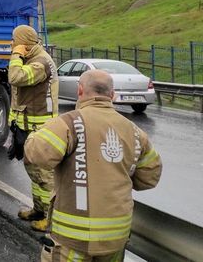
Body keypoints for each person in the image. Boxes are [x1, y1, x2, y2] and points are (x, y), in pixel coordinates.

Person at [25, 69, 162, 261]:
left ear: (80, 91)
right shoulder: (135, 132)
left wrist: (33, 135)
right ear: (112, 95)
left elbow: (37, 155)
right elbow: (149, 178)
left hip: (73, 238)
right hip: (116, 236)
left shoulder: (69, 123)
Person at [7, 24, 59, 231]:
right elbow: (18, 94)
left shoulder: (40, 63)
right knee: (35, 173)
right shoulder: (32, 59)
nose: (12, 45)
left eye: (15, 41)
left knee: (45, 176)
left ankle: (51, 219)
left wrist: (15, 56)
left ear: (24, 44)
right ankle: (39, 209)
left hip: (41, 129)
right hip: (29, 127)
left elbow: (15, 77)